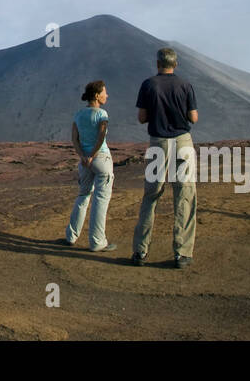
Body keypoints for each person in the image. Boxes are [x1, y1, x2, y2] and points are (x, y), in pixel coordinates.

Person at [130, 48, 199, 269]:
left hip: (158, 143)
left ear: (157, 64)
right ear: (175, 64)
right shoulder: (185, 85)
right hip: (183, 143)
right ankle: (182, 254)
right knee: (184, 194)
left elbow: (142, 118)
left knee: (151, 195)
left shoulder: (148, 85)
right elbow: (194, 118)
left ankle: (140, 252)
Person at [65, 80, 116, 252]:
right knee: (100, 200)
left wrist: (84, 156)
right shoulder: (102, 114)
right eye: (104, 92)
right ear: (97, 95)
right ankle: (97, 241)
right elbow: (101, 136)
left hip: (85, 161)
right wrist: (93, 155)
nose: (106, 95)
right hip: (101, 159)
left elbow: (74, 139)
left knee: (83, 196)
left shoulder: (78, 115)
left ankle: (71, 236)